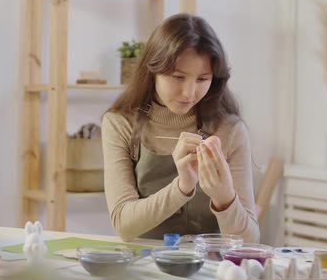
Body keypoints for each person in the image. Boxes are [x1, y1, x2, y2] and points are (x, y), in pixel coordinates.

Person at [102, 13, 259, 243]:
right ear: (153, 69)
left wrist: (225, 198)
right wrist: (182, 186)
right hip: (144, 266)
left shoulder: (229, 129)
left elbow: (250, 240)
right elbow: (124, 225)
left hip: (212, 269)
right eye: (178, 77)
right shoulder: (120, 123)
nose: (189, 93)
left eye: (202, 79)